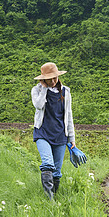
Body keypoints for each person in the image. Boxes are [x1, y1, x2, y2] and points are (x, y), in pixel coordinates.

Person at [31, 62, 76, 200]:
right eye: (49, 79)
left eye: (54, 78)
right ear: (43, 79)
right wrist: (44, 89)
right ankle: (49, 200)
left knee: (56, 172)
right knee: (47, 164)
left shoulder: (66, 92)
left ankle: (55, 197)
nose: (52, 81)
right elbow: (38, 106)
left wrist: (71, 137)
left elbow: (68, 115)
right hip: (42, 133)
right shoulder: (36, 90)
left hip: (60, 135)